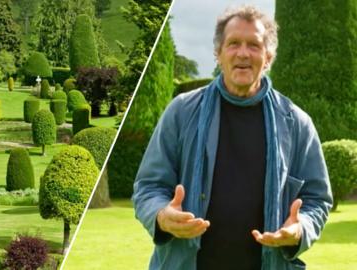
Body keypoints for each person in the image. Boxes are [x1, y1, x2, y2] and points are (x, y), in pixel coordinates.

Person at [132, 5, 333, 270]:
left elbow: (318, 200)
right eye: (233, 43)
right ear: (218, 53)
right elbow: (148, 187)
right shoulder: (181, 111)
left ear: (269, 56)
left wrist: (300, 228)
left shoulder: (297, 124)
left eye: (254, 45)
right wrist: (161, 216)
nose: (242, 53)